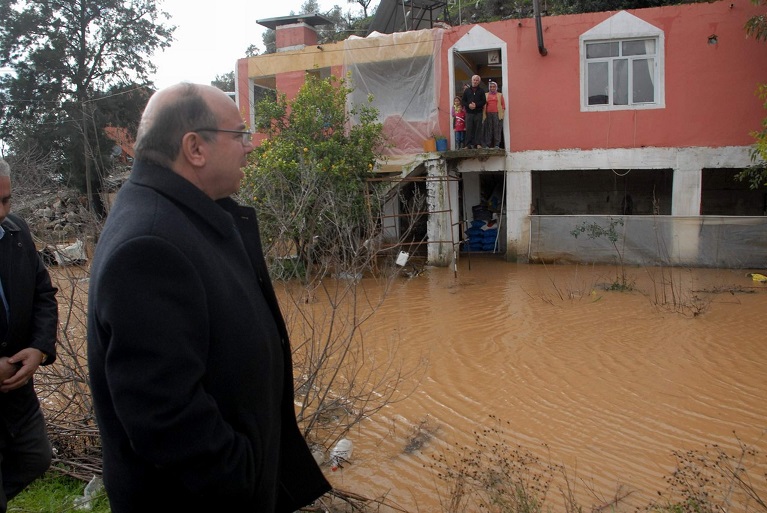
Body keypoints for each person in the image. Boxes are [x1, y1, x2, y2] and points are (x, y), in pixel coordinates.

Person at [87, 83, 331, 513]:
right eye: (239, 135)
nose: (249, 147)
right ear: (195, 147)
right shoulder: (150, 244)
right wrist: (241, 477)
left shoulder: (184, 217)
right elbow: (164, 416)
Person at [0, 159, 58, 513]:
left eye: (6, 200)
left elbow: (43, 294)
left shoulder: (17, 233)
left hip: (17, 397)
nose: (0, 211)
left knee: (36, 457)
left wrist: (39, 347)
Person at [461, 74, 486, 149]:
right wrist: (468, 105)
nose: (475, 81)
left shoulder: (481, 91)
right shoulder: (467, 91)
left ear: (479, 82)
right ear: (471, 81)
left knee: (478, 128)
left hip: (478, 112)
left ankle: (478, 144)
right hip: (469, 113)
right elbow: (463, 101)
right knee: (469, 128)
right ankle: (467, 144)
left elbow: (484, 101)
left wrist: (476, 105)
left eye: (477, 80)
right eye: (474, 80)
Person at [483, 81, 506, 149]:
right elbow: (483, 104)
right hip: (488, 114)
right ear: (489, 88)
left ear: (496, 87)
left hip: (497, 114)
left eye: (494, 87)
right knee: (488, 129)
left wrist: (502, 112)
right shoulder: (486, 95)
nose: (492, 88)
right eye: (491, 87)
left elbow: (503, 105)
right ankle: (488, 144)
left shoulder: (500, 95)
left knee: (497, 129)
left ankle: (497, 145)